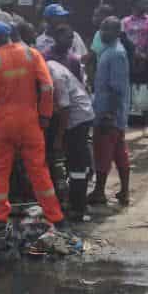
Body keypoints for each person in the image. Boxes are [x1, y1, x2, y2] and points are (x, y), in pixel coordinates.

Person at [0, 21, 65, 237]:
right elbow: (47, 87)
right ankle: (55, 217)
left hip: (2, 125)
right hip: (30, 122)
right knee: (39, 171)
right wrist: (45, 115)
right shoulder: (32, 54)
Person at [45, 52, 95, 221]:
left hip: (78, 118)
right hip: (78, 114)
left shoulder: (55, 76)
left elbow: (65, 109)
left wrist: (59, 138)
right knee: (77, 159)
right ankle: (76, 199)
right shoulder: (49, 65)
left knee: (76, 164)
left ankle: (78, 208)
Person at [91, 17, 131, 206]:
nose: (102, 32)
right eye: (101, 28)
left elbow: (116, 89)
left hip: (109, 113)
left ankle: (99, 192)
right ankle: (124, 191)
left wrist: (108, 114)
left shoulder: (116, 54)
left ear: (117, 32)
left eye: (107, 29)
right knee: (118, 151)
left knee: (103, 151)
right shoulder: (109, 51)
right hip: (111, 112)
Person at [122, 0, 148, 122]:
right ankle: (131, 119)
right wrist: (134, 54)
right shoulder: (125, 21)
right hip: (130, 59)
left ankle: (146, 120)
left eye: (147, 2)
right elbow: (123, 39)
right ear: (134, 4)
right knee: (131, 88)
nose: (147, 5)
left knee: (146, 88)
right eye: (143, 2)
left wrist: (144, 56)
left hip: (147, 59)